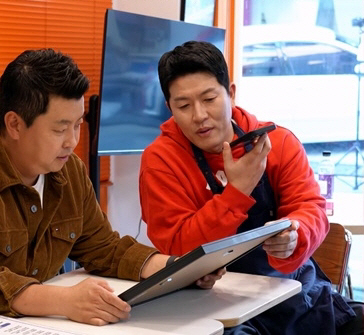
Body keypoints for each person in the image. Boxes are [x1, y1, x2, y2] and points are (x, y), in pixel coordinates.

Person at [0, 49, 224, 334]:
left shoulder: (67, 170)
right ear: (14, 124)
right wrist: (66, 301)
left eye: (77, 125)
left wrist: (178, 268)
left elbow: (104, 248)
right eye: (60, 129)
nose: (73, 141)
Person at [139, 41, 363, 335]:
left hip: (295, 294)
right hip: (211, 307)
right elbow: (180, 248)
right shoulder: (161, 160)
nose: (199, 116)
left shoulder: (278, 142)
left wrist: (296, 235)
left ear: (230, 93)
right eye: (183, 105)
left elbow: (311, 208)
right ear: (169, 108)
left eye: (209, 99)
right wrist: (238, 191)